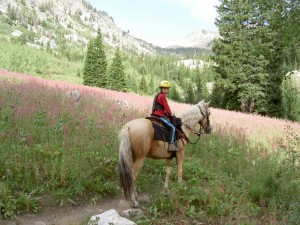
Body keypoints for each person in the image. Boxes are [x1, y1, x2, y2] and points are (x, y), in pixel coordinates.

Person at [151, 80, 177, 151]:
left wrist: (165, 113)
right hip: (159, 115)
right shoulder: (162, 96)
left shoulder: (157, 95)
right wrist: (170, 113)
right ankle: (171, 145)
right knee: (173, 128)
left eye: (167, 89)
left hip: (154, 114)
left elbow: (160, 107)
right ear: (161, 89)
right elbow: (166, 107)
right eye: (164, 89)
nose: (166, 90)